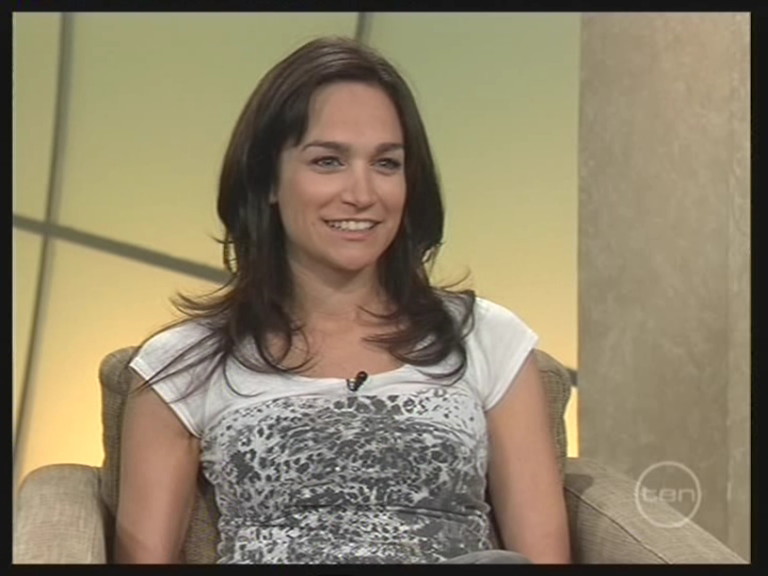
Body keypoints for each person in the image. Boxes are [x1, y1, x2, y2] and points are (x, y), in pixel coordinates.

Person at [114, 36, 570, 565]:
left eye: (387, 163)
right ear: (267, 180)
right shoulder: (181, 366)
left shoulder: (486, 338)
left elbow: (542, 558)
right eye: (328, 161)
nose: (362, 194)